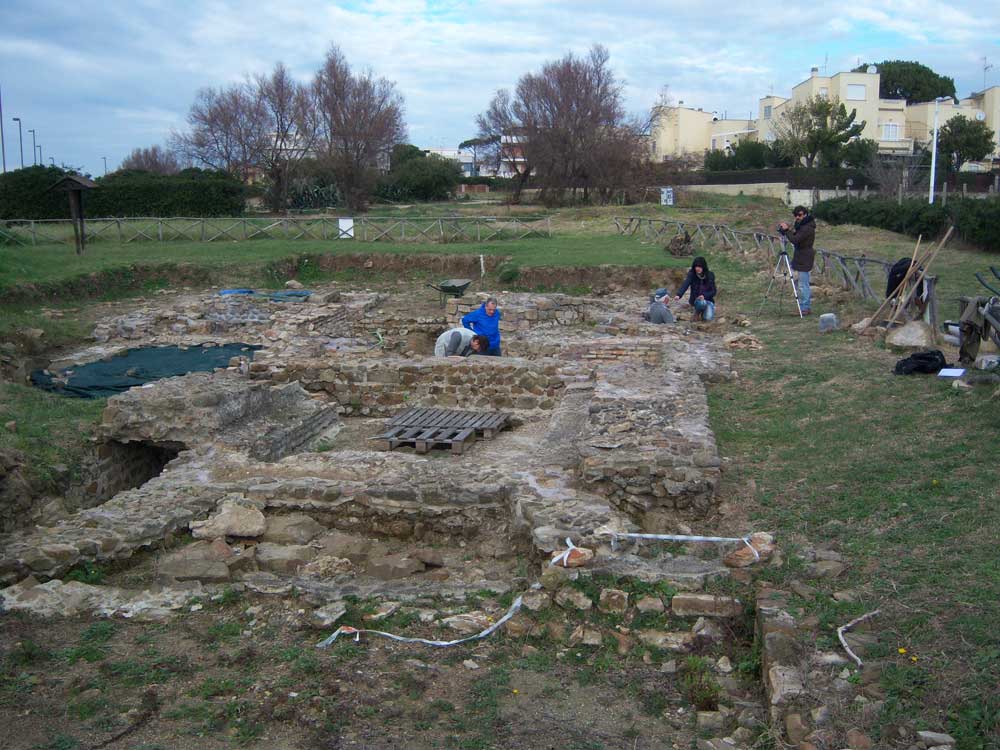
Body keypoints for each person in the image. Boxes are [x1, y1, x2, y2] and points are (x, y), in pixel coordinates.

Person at [778, 206, 816, 315]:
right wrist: (787, 231)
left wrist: (786, 230)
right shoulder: (802, 226)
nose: (797, 217)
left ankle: (805, 308)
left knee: (803, 285)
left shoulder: (807, 228)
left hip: (805, 257)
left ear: (805, 214)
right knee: (800, 284)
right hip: (800, 256)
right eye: (795, 215)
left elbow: (795, 240)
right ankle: (803, 306)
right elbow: (796, 237)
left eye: (799, 215)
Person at [674, 257, 717, 322]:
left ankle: (703, 312)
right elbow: (685, 284)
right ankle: (697, 312)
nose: (697, 269)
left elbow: (713, 291)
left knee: (708, 318)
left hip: (708, 301)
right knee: (702, 303)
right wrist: (679, 295)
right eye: (696, 266)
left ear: (703, 267)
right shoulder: (692, 274)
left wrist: (704, 296)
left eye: (699, 267)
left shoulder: (710, 275)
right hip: (696, 300)